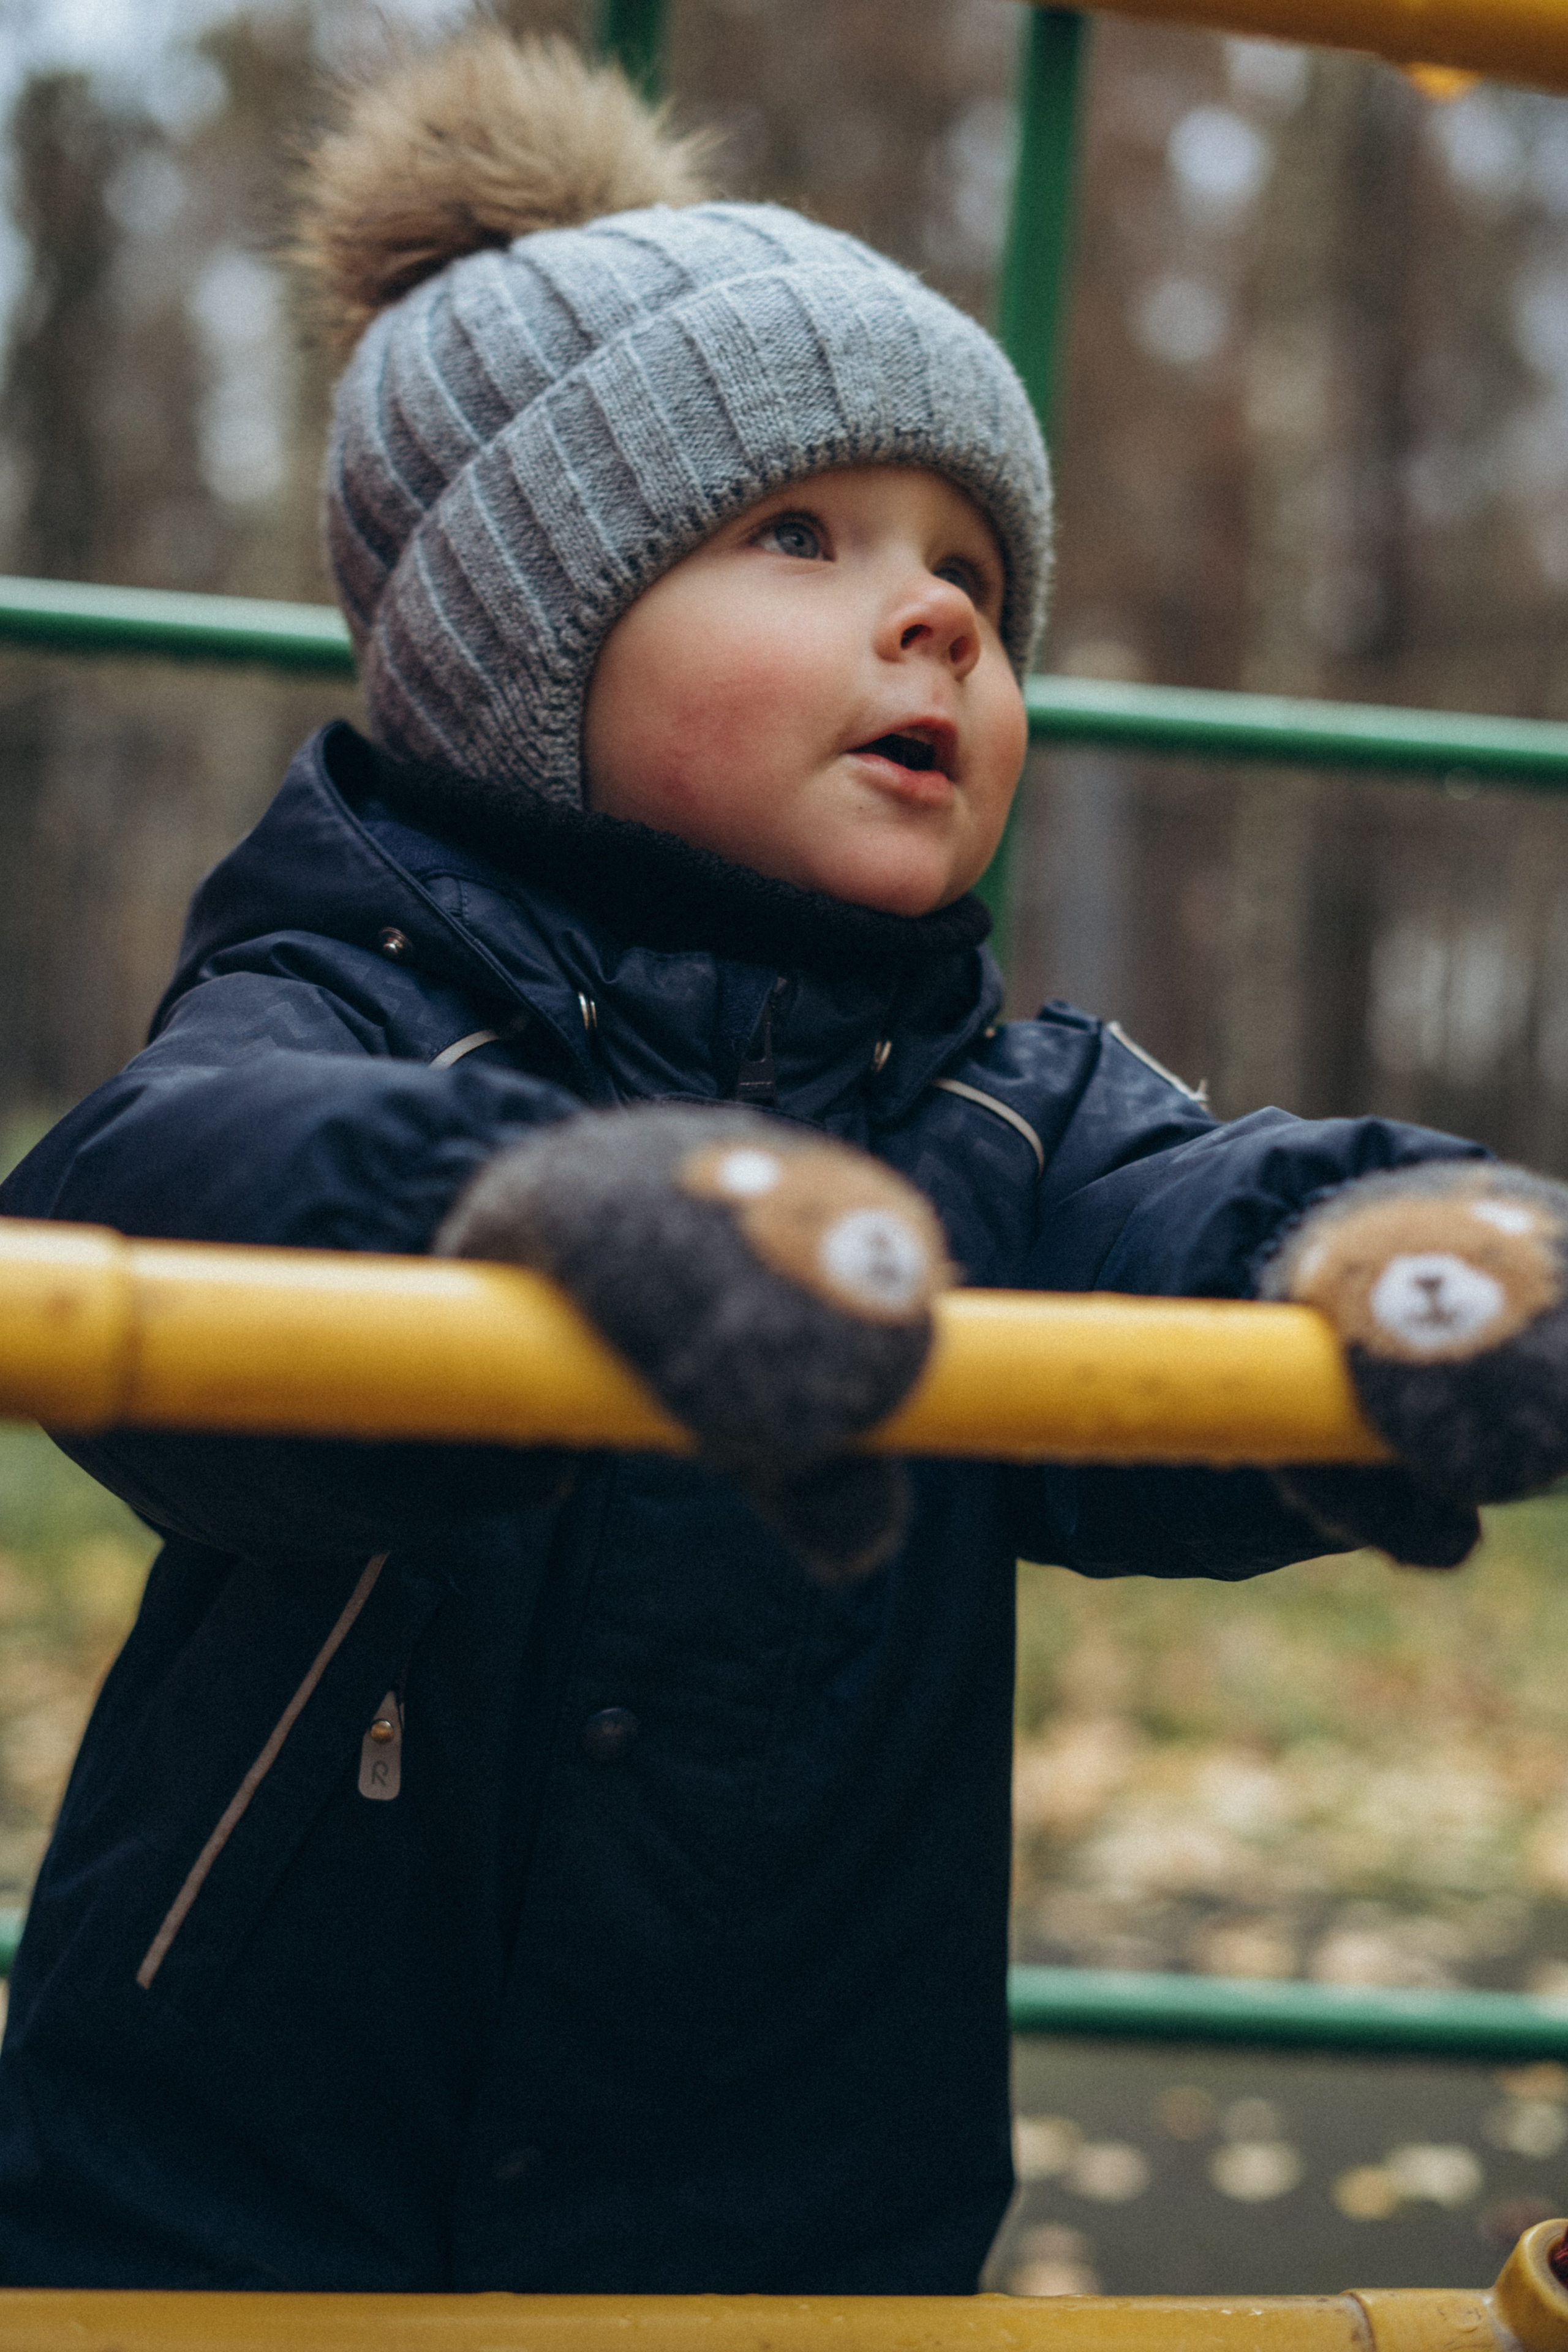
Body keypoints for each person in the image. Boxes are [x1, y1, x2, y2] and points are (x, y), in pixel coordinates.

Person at [1, 26, 1566, 2296]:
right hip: (235, 2218)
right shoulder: (357, 1008)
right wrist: (511, 1223)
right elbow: (156, 1187)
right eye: (800, 535)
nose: (936, 611)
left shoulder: (1003, 1118)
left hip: (789, 2254)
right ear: (520, 648)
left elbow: (1194, 1224)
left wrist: (1418, 1249)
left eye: (973, 576)